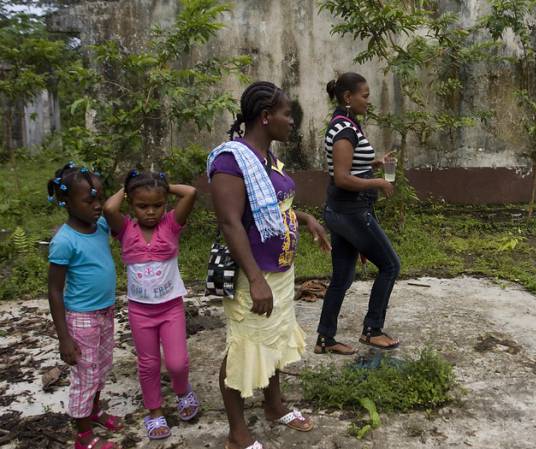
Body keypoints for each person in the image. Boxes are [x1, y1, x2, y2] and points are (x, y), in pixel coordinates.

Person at [208, 80, 331, 449]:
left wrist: (306, 219)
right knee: (245, 346)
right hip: (254, 276)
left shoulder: (268, 160)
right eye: (286, 114)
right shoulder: (230, 161)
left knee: (274, 339)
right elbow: (231, 222)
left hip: (279, 271)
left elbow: (278, 207)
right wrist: (255, 279)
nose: (291, 121)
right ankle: (237, 432)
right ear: (265, 117)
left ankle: (274, 406)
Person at [103, 171, 199, 441]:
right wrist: (128, 188)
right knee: (148, 363)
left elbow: (191, 192)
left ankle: (182, 391)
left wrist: (164, 187)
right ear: (131, 205)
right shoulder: (125, 229)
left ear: (165, 204)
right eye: (142, 206)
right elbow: (110, 207)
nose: (150, 212)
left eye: (157, 205)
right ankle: (155, 411)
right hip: (140, 310)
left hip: (170, 308)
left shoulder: (171, 224)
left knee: (177, 363)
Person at [314, 72, 401, 356]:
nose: (368, 100)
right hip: (350, 212)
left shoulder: (348, 124)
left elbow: (350, 165)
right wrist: (378, 182)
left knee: (342, 277)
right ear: (348, 98)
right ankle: (372, 330)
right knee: (390, 265)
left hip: (343, 211)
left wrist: (375, 163)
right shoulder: (343, 130)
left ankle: (325, 338)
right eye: (364, 95)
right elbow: (341, 177)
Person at [46, 163, 123, 449]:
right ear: (66, 202)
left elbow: (114, 213)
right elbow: (55, 291)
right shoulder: (65, 241)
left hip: (105, 312)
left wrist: (126, 187)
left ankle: (94, 412)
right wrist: (64, 338)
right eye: (89, 200)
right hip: (81, 318)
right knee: (84, 375)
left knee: (101, 368)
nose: (97, 205)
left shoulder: (101, 224)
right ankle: (83, 435)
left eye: (99, 197)